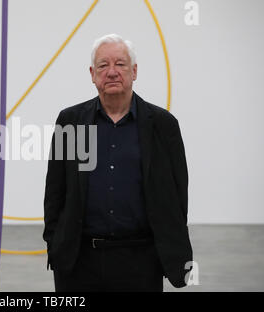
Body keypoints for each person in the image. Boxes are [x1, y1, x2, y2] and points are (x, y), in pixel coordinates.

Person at [43, 34, 193, 292]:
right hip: (80, 263)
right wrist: (55, 243)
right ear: (92, 74)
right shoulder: (71, 121)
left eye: (120, 64)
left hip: (141, 262)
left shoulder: (163, 125)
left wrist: (169, 249)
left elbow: (178, 196)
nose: (112, 72)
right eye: (103, 65)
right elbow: (55, 191)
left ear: (134, 71)